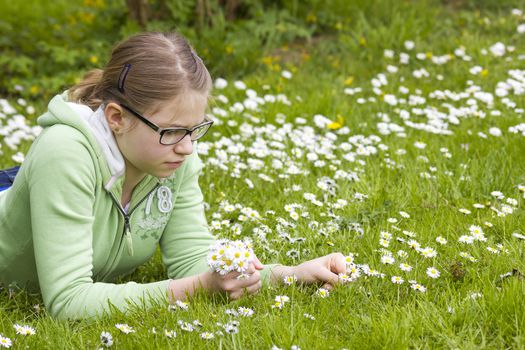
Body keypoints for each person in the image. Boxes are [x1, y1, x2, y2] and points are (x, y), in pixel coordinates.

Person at [0, 32, 346, 320]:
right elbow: (68, 302)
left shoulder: (172, 156)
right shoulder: (64, 153)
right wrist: (199, 289)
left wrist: (290, 274)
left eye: (195, 130)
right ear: (116, 118)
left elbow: (193, 259)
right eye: (172, 131)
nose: (187, 148)